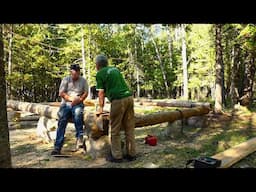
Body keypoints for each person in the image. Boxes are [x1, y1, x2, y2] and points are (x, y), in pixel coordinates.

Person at [95, 54, 136, 163]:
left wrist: (100, 108)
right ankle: (131, 154)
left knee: (114, 129)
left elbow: (101, 93)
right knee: (129, 127)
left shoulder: (100, 74)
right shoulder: (115, 69)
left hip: (118, 100)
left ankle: (117, 156)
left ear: (97, 65)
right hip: (129, 98)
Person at [51, 64, 88, 155]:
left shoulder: (83, 80)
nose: (74, 75)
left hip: (78, 102)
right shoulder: (66, 80)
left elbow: (86, 93)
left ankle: (79, 141)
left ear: (79, 72)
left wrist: (79, 99)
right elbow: (62, 93)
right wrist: (71, 99)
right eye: (72, 73)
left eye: (76, 73)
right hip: (66, 102)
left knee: (78, 114)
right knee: (62, 119)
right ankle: (57, 146)